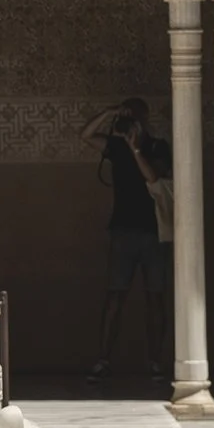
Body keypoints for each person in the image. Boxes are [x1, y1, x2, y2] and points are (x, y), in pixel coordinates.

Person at [83, 97, 172, 383]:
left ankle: (155, 362)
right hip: (123, 231)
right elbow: (86, 135)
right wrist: (108, 112)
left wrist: (136, 148)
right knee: (114, 296)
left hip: (154, 231)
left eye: (134, 118)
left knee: (155, 297)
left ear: (144, 120)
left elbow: (152, 177)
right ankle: (103, 360)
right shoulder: (116, 146)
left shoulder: (157, 147)